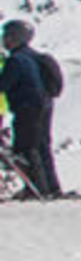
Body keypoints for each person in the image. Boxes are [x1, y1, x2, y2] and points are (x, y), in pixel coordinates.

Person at [0, 19, 58, 198]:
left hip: (27, 108)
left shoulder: (16, 60)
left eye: (7, 36)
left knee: (26, 147)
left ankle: (36, 188)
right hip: (45, 106)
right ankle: (51, 187)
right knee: (42, 147)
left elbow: (2, 84)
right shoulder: (34, 57)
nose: (4, 40)